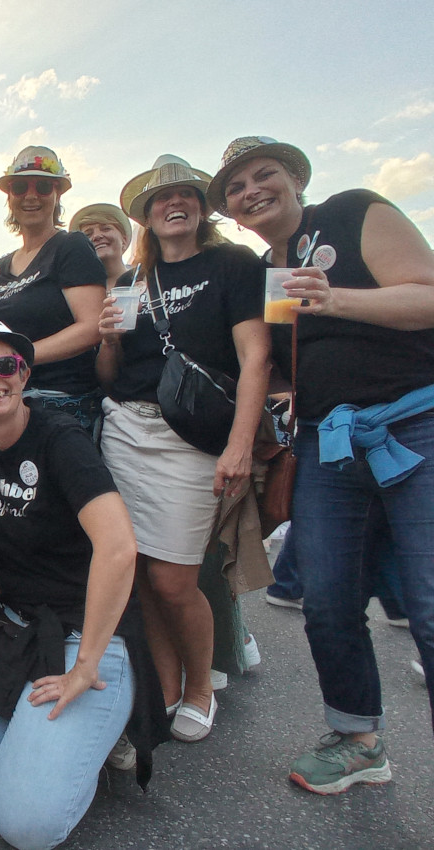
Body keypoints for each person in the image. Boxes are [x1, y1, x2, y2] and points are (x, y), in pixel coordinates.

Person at [210, 135, 434, 791]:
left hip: (414, 425)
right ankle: (358, 739)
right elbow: (276, 366)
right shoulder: (263, 270)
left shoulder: (353, 212)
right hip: (325, 443)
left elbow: (428, 293)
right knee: (327, 600)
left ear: (295, 179)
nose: (251, 191)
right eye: (236, 188)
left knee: (429, 604)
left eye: (263, 175)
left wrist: (337, 299)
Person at [0, 319, 163, 850]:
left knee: (26, 825)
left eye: (5, 365)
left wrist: (84, 665)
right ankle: (45, 741)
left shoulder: (61, 439)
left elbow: (118, 547)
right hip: (16, 627)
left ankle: (100, 727)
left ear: (25, 373)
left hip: (86, 635)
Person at [96, 155, 270, 743]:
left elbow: (255, 359)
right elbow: (109, 372)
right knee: (139, 571)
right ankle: (168, 683)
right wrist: (108, 341)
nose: (175, 204)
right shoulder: (128, 282)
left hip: (192, 437)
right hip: (124, 428)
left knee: (174, 579)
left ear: (201, 207)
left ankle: (202, 683)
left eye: (186, 195)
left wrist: (240, 446)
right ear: (145, 214)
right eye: (161, 198)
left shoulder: (232, 263)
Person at [0, 147, 107, 432]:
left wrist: (20, 357)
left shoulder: (70, 246)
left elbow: (92, 326)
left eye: (44, 186)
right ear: (9, 196)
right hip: (5, 402)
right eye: (21, 186)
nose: (31, 195)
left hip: (62, 404)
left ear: (58, 194)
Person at [70, 203, 133, 290]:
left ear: (124, 240)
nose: (97, 236)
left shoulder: (145, 280)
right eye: (88, 234)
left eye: (106, 229)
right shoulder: (75, 291)